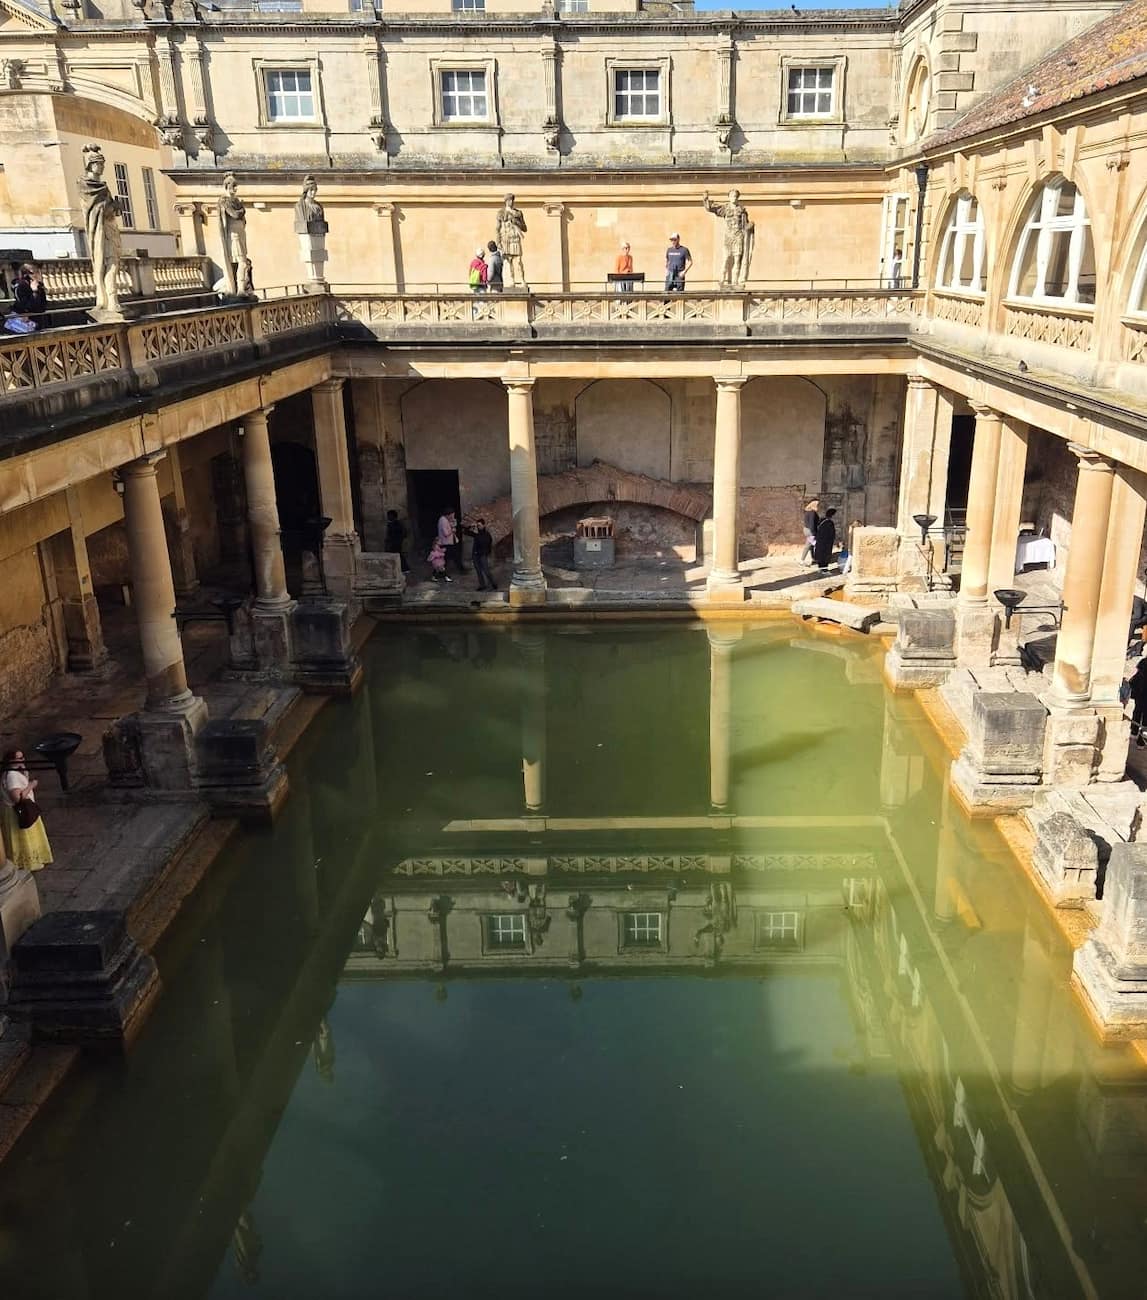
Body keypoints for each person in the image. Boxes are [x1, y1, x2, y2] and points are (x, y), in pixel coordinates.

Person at [1, 749, 52, 871]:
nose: (23, 760)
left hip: (12, 811)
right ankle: (27, 862)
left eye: (23, 757)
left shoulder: (10, 772)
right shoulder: (12, 776)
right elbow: (17, 798)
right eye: (19, 758)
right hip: (20, 812)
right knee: (24, 837)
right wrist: (31, 785)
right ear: (11, 761)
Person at [469, 518, 496, 591]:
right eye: (477, 525)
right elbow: (466, 532)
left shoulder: (486, 534)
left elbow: (483, 543)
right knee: (478, 571)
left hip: (482, 554)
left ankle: (493, 583)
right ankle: (482, 585)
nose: (478, 527)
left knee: (486, 570)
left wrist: (477, 534)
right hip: (475, 554)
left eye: (479, 525)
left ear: (484, 525)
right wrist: (471, 527)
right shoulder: (476, 533)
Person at [437, 508, 466, 573]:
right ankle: (440, 572)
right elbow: (446, 533)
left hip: (450, 542)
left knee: (452, 557)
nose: (453, 516)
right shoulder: (443, 521)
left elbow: (452, 525)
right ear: (448, 515)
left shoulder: (445, 519)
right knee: (449, 558)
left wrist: (453, 523)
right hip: (447, 543)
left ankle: (461, 569)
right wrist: (452, 530)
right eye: (452, 515)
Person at [1128, 658, 1147, 748]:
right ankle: (1141, 741)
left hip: (1140, 694)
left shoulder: (1144, 662)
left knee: (1137, 712)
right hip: (1142, 694)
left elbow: (1135, 680)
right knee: (1146, 720)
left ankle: (1134, 732)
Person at [384, 508, 409, 573]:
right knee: (397, 555)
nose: (388, 517)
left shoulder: (396, 524)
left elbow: (403, 533)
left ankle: (404, 569)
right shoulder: (391, 524)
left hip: (396, 542)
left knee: (398, 555)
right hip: (394, 542)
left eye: (389, 516)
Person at [801, 498, 820, 565]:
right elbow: (812, 523)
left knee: (811, 545)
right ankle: (802, 560)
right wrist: (814, 533)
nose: (818, 506)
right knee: (809, 545)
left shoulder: (808, 512)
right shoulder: (812, 513)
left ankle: (813, 559)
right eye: (817, 505)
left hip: (806, 530)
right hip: (810, 530)